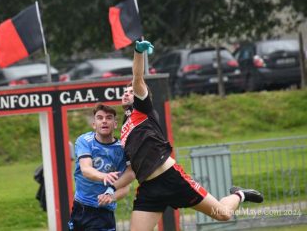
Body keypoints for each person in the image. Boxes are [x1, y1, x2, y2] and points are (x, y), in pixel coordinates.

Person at [102, 41, 264, 231]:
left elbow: (137, 77)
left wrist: (138, 52)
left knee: (223, 214)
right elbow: (131, 172)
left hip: (171, 178)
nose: (126, 94)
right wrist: (111, 188)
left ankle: (239, 194)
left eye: (131, 92)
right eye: (125, 92)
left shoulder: (142, 110)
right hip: (148, 187)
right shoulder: (124, 130)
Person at [68, 103, 132, 231]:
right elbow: (86, 169)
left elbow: (125, 186)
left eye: (108, 118)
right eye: (100, 118)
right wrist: (105, 176)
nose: (104, 121)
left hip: (102, 212)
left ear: (115, 124)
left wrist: (111, 197)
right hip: (79, 208)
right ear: (94, 124)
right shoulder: (84, 141)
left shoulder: (122, 149)